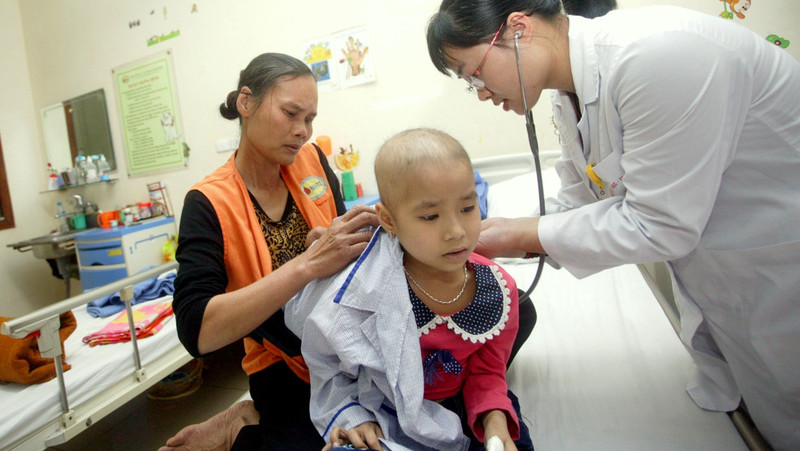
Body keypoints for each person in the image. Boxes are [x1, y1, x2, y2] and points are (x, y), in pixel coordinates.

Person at [426, 1, 800, 449]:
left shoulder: (656, 56)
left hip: (781, 266)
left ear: (518, 29)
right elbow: (584, 196)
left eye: (474, 74)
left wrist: (519, 233)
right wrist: (512, 234)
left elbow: (659, 224)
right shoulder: (573, 94)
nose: (481, 91)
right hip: (732, 279)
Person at [160, 52, 378, 451]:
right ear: (246, 103)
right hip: (283, 360)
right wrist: (307, 265)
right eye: (291, 113)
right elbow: (197, 331)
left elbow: (349, 242)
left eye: (309, 119)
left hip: (345, 335)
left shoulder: (310, 161)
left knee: (506, 315)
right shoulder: (208, 201)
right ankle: (240, 423)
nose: (302, 131)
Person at [284, 128, 533, 451]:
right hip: (385, 411)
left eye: (468, 208)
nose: (456, 231)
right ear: (388, 220)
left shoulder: (495, 291)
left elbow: (487, 373)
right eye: (431, 216)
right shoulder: (365, 291)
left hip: (468, 409)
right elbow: (328, 364)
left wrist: (495, 425)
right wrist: (352, 415)